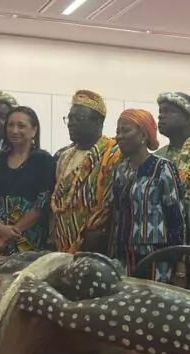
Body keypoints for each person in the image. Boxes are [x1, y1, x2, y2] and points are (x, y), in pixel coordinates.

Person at [109, 109, 185, 282]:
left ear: (144, 134)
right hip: (124, 259)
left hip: (157, 260)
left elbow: (177, 219)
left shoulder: (162, 168)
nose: (119, 136)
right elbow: (116, 217)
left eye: (125, 130)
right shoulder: (120, 171)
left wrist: (180, 266)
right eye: (117, 132)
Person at [0, 106, 56, 255]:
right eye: (10, 125)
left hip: (30, 241)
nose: (14, 130)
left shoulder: (44, 161)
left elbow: (43, 203)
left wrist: (14, 231)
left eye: (21, 126)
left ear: (34, 130)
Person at [50, 90, 121, 254]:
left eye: (78, 119)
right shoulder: (64, 156)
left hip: (96, 245)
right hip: (62, 241)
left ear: (98, 122)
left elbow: (112, 204)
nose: (71, 123)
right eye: (69, 118)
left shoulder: (113, 155)